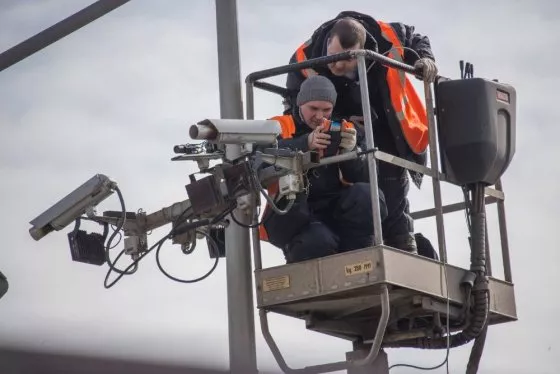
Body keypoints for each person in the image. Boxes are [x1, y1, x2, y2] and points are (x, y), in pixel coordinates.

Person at [284, 11, 438, 254]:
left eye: (344, 60)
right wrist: (326, 127)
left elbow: (416, 38)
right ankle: (357, 239)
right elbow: (294, 103)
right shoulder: (306, 56)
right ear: (328, 41)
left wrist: (425, 59)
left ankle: (401, 241)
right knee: (353, 187)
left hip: (386, 123)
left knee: (390, 180)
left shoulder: (386, 35)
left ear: (361, 49)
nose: (334, 64)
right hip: (339, 128)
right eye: (332, 56)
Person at [258, 75, 387, 264]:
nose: (319, 117)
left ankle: (360, 261)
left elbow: (369, 176)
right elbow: (259, 161)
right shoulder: (277, 126)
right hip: (294, 214)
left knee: (367, 195)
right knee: (317, 241)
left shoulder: (344, 129)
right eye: (313, 109)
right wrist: (304, 144)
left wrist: (352, 152)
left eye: (326, 110)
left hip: (334, 207)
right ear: (301, 104)